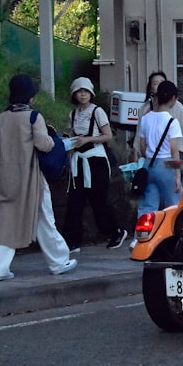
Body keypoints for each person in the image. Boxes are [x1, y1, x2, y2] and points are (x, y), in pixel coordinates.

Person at [0, 74, 77, 281]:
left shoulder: (3, 117)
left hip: (5, 178)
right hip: (30, 176)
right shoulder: (34, 117)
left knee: (5, 221)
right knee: (44, 217)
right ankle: (59, 261)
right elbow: (44, 144)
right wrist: (57, 143)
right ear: (29, 96)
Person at [63, 77, 127, 253]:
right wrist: (69, 160)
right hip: (78, 160)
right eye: (79, 91)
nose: (82, 94)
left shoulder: (97, 112)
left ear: (91, 93)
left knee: (98, 200)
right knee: (75, 201)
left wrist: (88, 139)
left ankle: (116, 231)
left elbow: (107, 135)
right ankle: (72, 241)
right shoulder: (73, 114)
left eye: (86, 91)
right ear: (74, 94)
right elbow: (70, 137)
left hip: (96, 160)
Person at [135, 80, 183, 217]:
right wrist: (178, 176)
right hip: (167, 165)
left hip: (149, 164)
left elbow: (142, 148)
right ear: (173, 98)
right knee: (174, 206)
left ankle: (141, 236)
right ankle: (174, 236)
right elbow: (174, 150)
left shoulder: (145, 119)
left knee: (147, 207)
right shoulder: (172, 122)